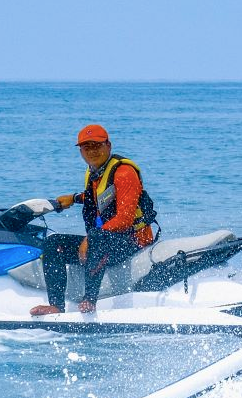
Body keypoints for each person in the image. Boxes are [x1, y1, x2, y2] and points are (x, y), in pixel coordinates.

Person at [29, 124, 158, 316]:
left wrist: (91, 238)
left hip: (132, 241)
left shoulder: (124, 173)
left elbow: (125, 218)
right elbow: (100, 198)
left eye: (97, 145)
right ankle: (56, 305)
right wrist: (73, 198)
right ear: (80, 151)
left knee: (96, 236)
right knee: (53, 243)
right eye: (86, 147)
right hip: (106, 240)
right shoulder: (93, 172)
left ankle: (89, 300)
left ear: (109, 146)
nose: (92, 151)